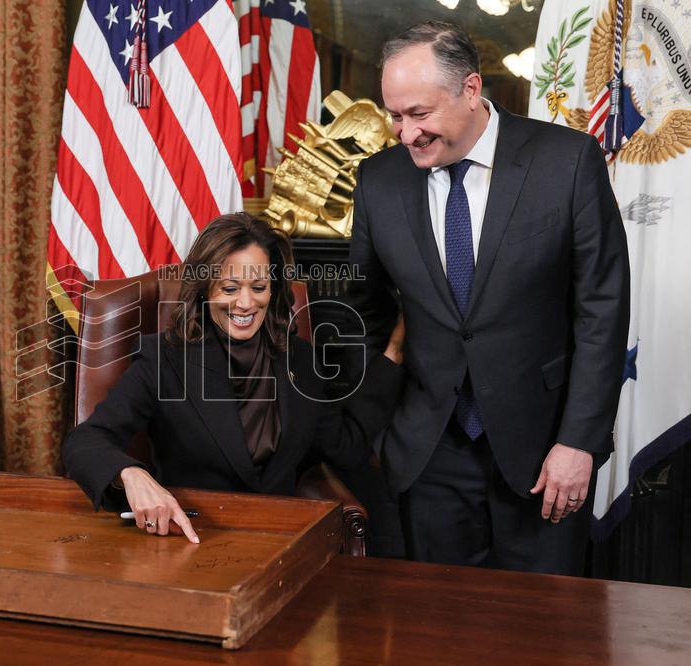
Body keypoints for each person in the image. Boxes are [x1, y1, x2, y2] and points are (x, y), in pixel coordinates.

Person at [349, 22, 630, 574]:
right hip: (428, 454)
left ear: (471, 89)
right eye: (395, 116)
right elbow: (364, 311)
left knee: (545, 621)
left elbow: (602, 309)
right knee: (439, 621)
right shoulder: (378, 181)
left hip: (545, 451)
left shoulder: (566, 160)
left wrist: (579, 441)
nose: (405, 134)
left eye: (419, 113)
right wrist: (380, 430)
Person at [64, 213, 405, 543]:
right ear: (205, 290)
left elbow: (343, 446)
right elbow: (85, 441)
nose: (245, 303)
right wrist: (131, 473)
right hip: (190, 539)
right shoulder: (164, 358)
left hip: (280, 542)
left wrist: (393, 354)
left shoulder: (299, 358)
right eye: (229, 288)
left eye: (258, 287)